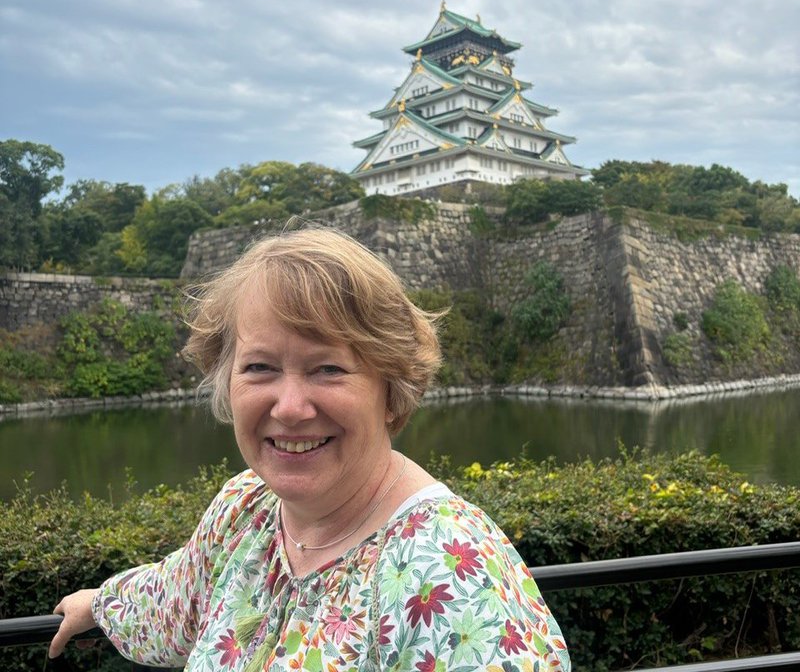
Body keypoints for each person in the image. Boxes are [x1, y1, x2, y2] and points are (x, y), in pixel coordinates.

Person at [50, 227, 571, 671]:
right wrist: (99, 603)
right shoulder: (246, 510)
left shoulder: (446, 572)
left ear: (392, 391)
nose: (291, 407)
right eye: (259, 367)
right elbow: (178, 602)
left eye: (328, 369)